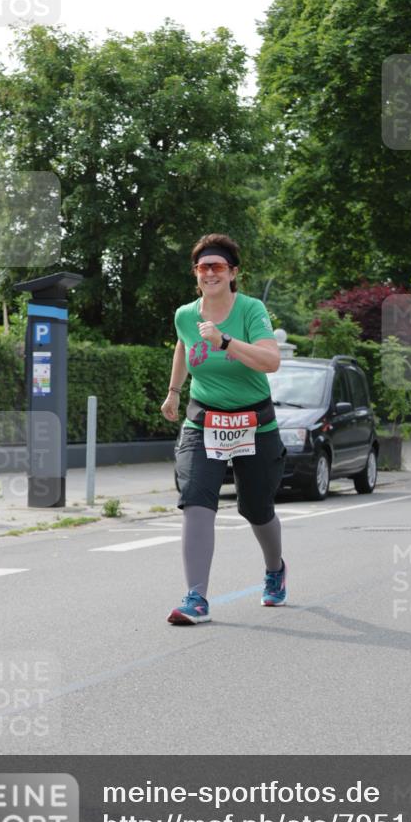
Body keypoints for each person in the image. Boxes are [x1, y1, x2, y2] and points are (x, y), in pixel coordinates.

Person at [160, 233, 287, 624]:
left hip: (254, 421)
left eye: (217, 266)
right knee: (196, 500)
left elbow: (270, 361)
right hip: (204, 420)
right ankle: (196, 597)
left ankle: (275, 570)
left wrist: (225, 340)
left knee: (256, 508)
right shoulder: (186, 314)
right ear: (195, 274)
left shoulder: (250, 309)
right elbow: (184, 345)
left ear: (233, 273)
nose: (210, 273)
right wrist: (174, 392)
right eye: (203, 267)